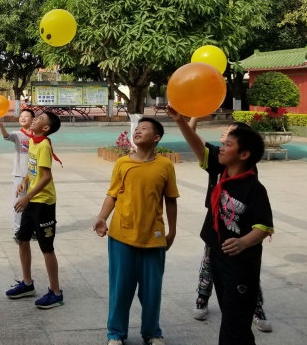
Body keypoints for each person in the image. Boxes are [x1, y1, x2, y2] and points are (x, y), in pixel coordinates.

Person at [169, 110, 272, 332]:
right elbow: (197, 144)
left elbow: (264, 225)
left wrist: (244, 242)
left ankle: (255, 308)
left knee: (242, 297)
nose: (222, 145)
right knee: (212, 275)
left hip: (239, 248)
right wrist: (181, 119)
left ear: (244, 153)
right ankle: (203, 299)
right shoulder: (221, 160)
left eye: (229, 141)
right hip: (215, 235)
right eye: (223, 141)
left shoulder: (249, 182)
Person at [93, 117, 178, 345]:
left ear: (156, 138)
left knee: (152, 291)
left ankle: (152, 333)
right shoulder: (122, 163)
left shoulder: (165, 166)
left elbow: (171, 200)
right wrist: (102, 217)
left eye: (144, 129)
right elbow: (112, 195)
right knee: (120, 288)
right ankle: (115, 334)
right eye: (137, 128)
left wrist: (172, 231)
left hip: (153, 236)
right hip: (121, 235)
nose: (138, 131)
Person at [5, 111, 65, 309]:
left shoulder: (44, 145)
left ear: (45, 128)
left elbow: (46, 176)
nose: (34, 119)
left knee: (46, 247)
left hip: (43, 203)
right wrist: (24, 181)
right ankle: (27, 283)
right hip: (32, 199)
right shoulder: (32, 141)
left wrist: (27, 197)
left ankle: (56, 292)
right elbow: (33, 169)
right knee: (22, 239)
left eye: (39, 119)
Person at [0, 108, 34, 240]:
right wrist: (1, 125)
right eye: (21, 116)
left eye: (26, 116)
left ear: (32, 120)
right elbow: (6, 136)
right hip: (20, 175)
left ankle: (31, 229)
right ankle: (18, 230)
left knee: (33, 203)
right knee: (18, 203)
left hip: (34, 176)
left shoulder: (37, 135)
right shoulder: (17, 135)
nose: (23, 118)